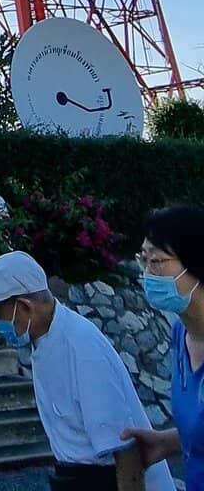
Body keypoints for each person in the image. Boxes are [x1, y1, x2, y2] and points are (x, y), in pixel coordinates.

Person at [0, 250, 174, 490]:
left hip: (105, 480)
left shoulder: (81, 346)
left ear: (25, 307)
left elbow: (125, 447)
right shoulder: (44, 340)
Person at [122, 205, 204, 491]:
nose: (146, 273)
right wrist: (167, 442)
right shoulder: (181, 334)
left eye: (155, 260)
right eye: (142, 258)